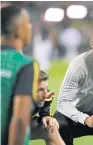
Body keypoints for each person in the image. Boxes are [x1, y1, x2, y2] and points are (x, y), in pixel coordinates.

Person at [1, 5, 39, 145]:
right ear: (19, 30)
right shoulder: (24, 65)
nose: (30, 27)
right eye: (27, 23)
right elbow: (20, 120)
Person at [30, 70, 65, 145]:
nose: (45, 94)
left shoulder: (46, 97)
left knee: (50, 126)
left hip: (24, 122)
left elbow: (44, 113)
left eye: (46, 88)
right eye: (40, 90)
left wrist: (45, 116)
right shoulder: (11, 99)